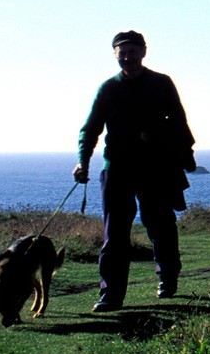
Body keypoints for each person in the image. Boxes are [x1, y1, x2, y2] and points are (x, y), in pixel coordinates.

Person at [73, 31, 196, 312]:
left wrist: (167, 142)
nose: (127, 57)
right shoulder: (108, 88)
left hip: (156, 166)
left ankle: (167, 278)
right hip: (117, 168)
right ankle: (111, 295)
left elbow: (179, 120)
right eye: (122, 52)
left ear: (144, 52)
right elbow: (90, 129)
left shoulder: (162, 83)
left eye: (132, 51)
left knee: (160, 225)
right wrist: (83, 161)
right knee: (114, 233)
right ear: (115, 54)